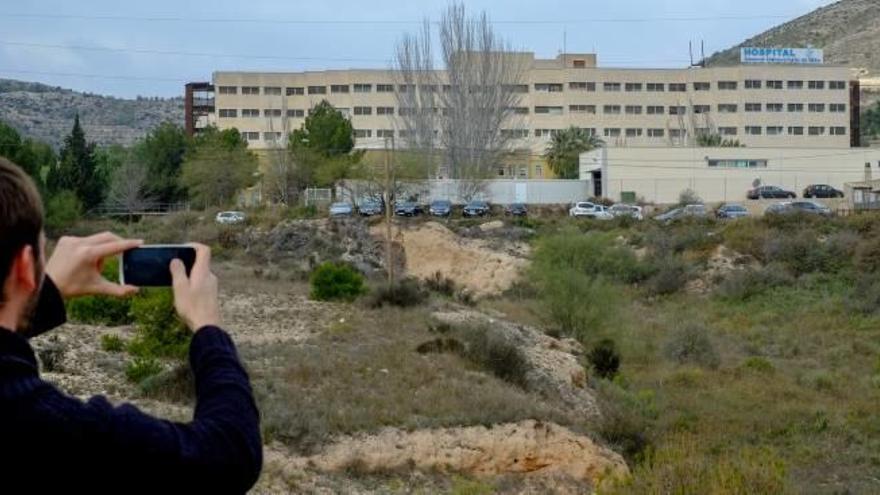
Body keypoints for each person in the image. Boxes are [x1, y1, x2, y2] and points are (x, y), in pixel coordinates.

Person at [0, 157, 262, 493]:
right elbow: (229, 454)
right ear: (24, 267)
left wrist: (42, 293)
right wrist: (209, 329)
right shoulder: (42, 425)